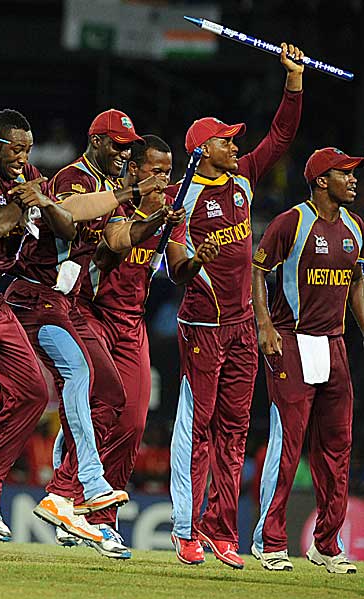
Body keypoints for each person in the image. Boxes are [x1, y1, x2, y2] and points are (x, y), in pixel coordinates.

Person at [169, 42, 305, 569]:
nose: (234, 143)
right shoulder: (184, 198)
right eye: (225, 139)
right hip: (202, 324)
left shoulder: (244, 176)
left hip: (244, 325)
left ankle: (221, 530)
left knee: (233, 430)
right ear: (203, 149)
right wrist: (190, 258)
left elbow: (283, 136)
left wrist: (293, 82)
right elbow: (175, 265)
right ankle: (185, 529)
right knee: (195, 427)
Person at [5, 109, 168, 550]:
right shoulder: (74, 177)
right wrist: (131, 191)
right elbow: (71, 213)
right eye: (117, 145)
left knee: (109, 396)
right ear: (96, 141)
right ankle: (68, 488)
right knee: (81, 384)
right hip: (42, 299)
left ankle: (70, 488)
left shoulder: (111, 190)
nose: (123, 153)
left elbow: (115, 240)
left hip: (65, 305)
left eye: (128, 148)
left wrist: (156, 220)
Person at [71, 135, 218, 557]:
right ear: (134, 170)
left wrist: (198, 258)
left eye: (168, 171)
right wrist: (154, 219)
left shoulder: (173, 211)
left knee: (134, 423)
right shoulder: (113, 203)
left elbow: (177, 272)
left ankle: (103, 520)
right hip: (91, 313)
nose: (163, 178)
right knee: (101, 404)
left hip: (132, 324)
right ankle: (67, 489)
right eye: (155, 170)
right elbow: (106, 255)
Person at [250, 147, 363, 574]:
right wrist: (264, 324)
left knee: (337, 447)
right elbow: (258, 270)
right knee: (287, 445)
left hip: (333, 345)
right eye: (345, 174)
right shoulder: (291, 223)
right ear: (320, 181)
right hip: (291, 341)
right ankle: (270, 540)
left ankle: (327, 545)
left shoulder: (356, 228)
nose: (353, 180)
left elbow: (356, 288)